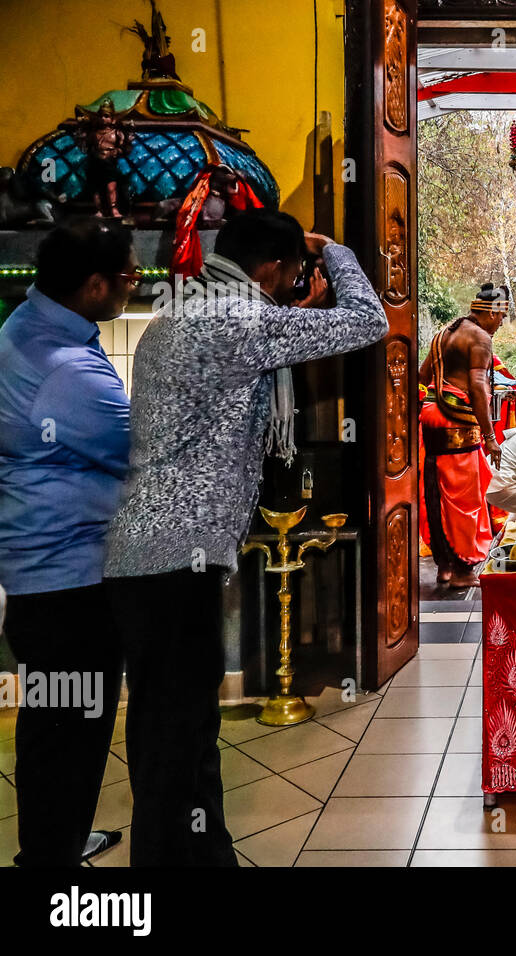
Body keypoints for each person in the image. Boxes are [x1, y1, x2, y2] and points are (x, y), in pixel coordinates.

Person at [103, 210, 388, 866]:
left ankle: (205, 856)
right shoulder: (238, 319)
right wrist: (337, 252)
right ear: (271, 266)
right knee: (175, 739)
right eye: (293, 273)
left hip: (152, 556)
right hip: (173, 558)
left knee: (178, 729)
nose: (295, 285)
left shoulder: (189, 311)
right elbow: (368, 322)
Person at [0, 217, 135, 866]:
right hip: (70, 587)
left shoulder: (26, 329)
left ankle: (54, 842)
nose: (134, 288)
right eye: (129, 277)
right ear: (93, 285)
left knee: (51, 730)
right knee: (70, 736)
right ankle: (49, 865)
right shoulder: (67, 373)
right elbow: (145, 454)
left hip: (40, 579)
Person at [417, 283, 506, 588]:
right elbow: (478, 386)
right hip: (457, 424)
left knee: (436, 493)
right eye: (502, 315)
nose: (502, 322)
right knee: (464, 498)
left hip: (430, 416)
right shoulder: (479, 337)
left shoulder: (444, 333)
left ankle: (444, 566)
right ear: (490, 311)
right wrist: (490, 436)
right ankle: (464, 571)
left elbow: (423, 375)